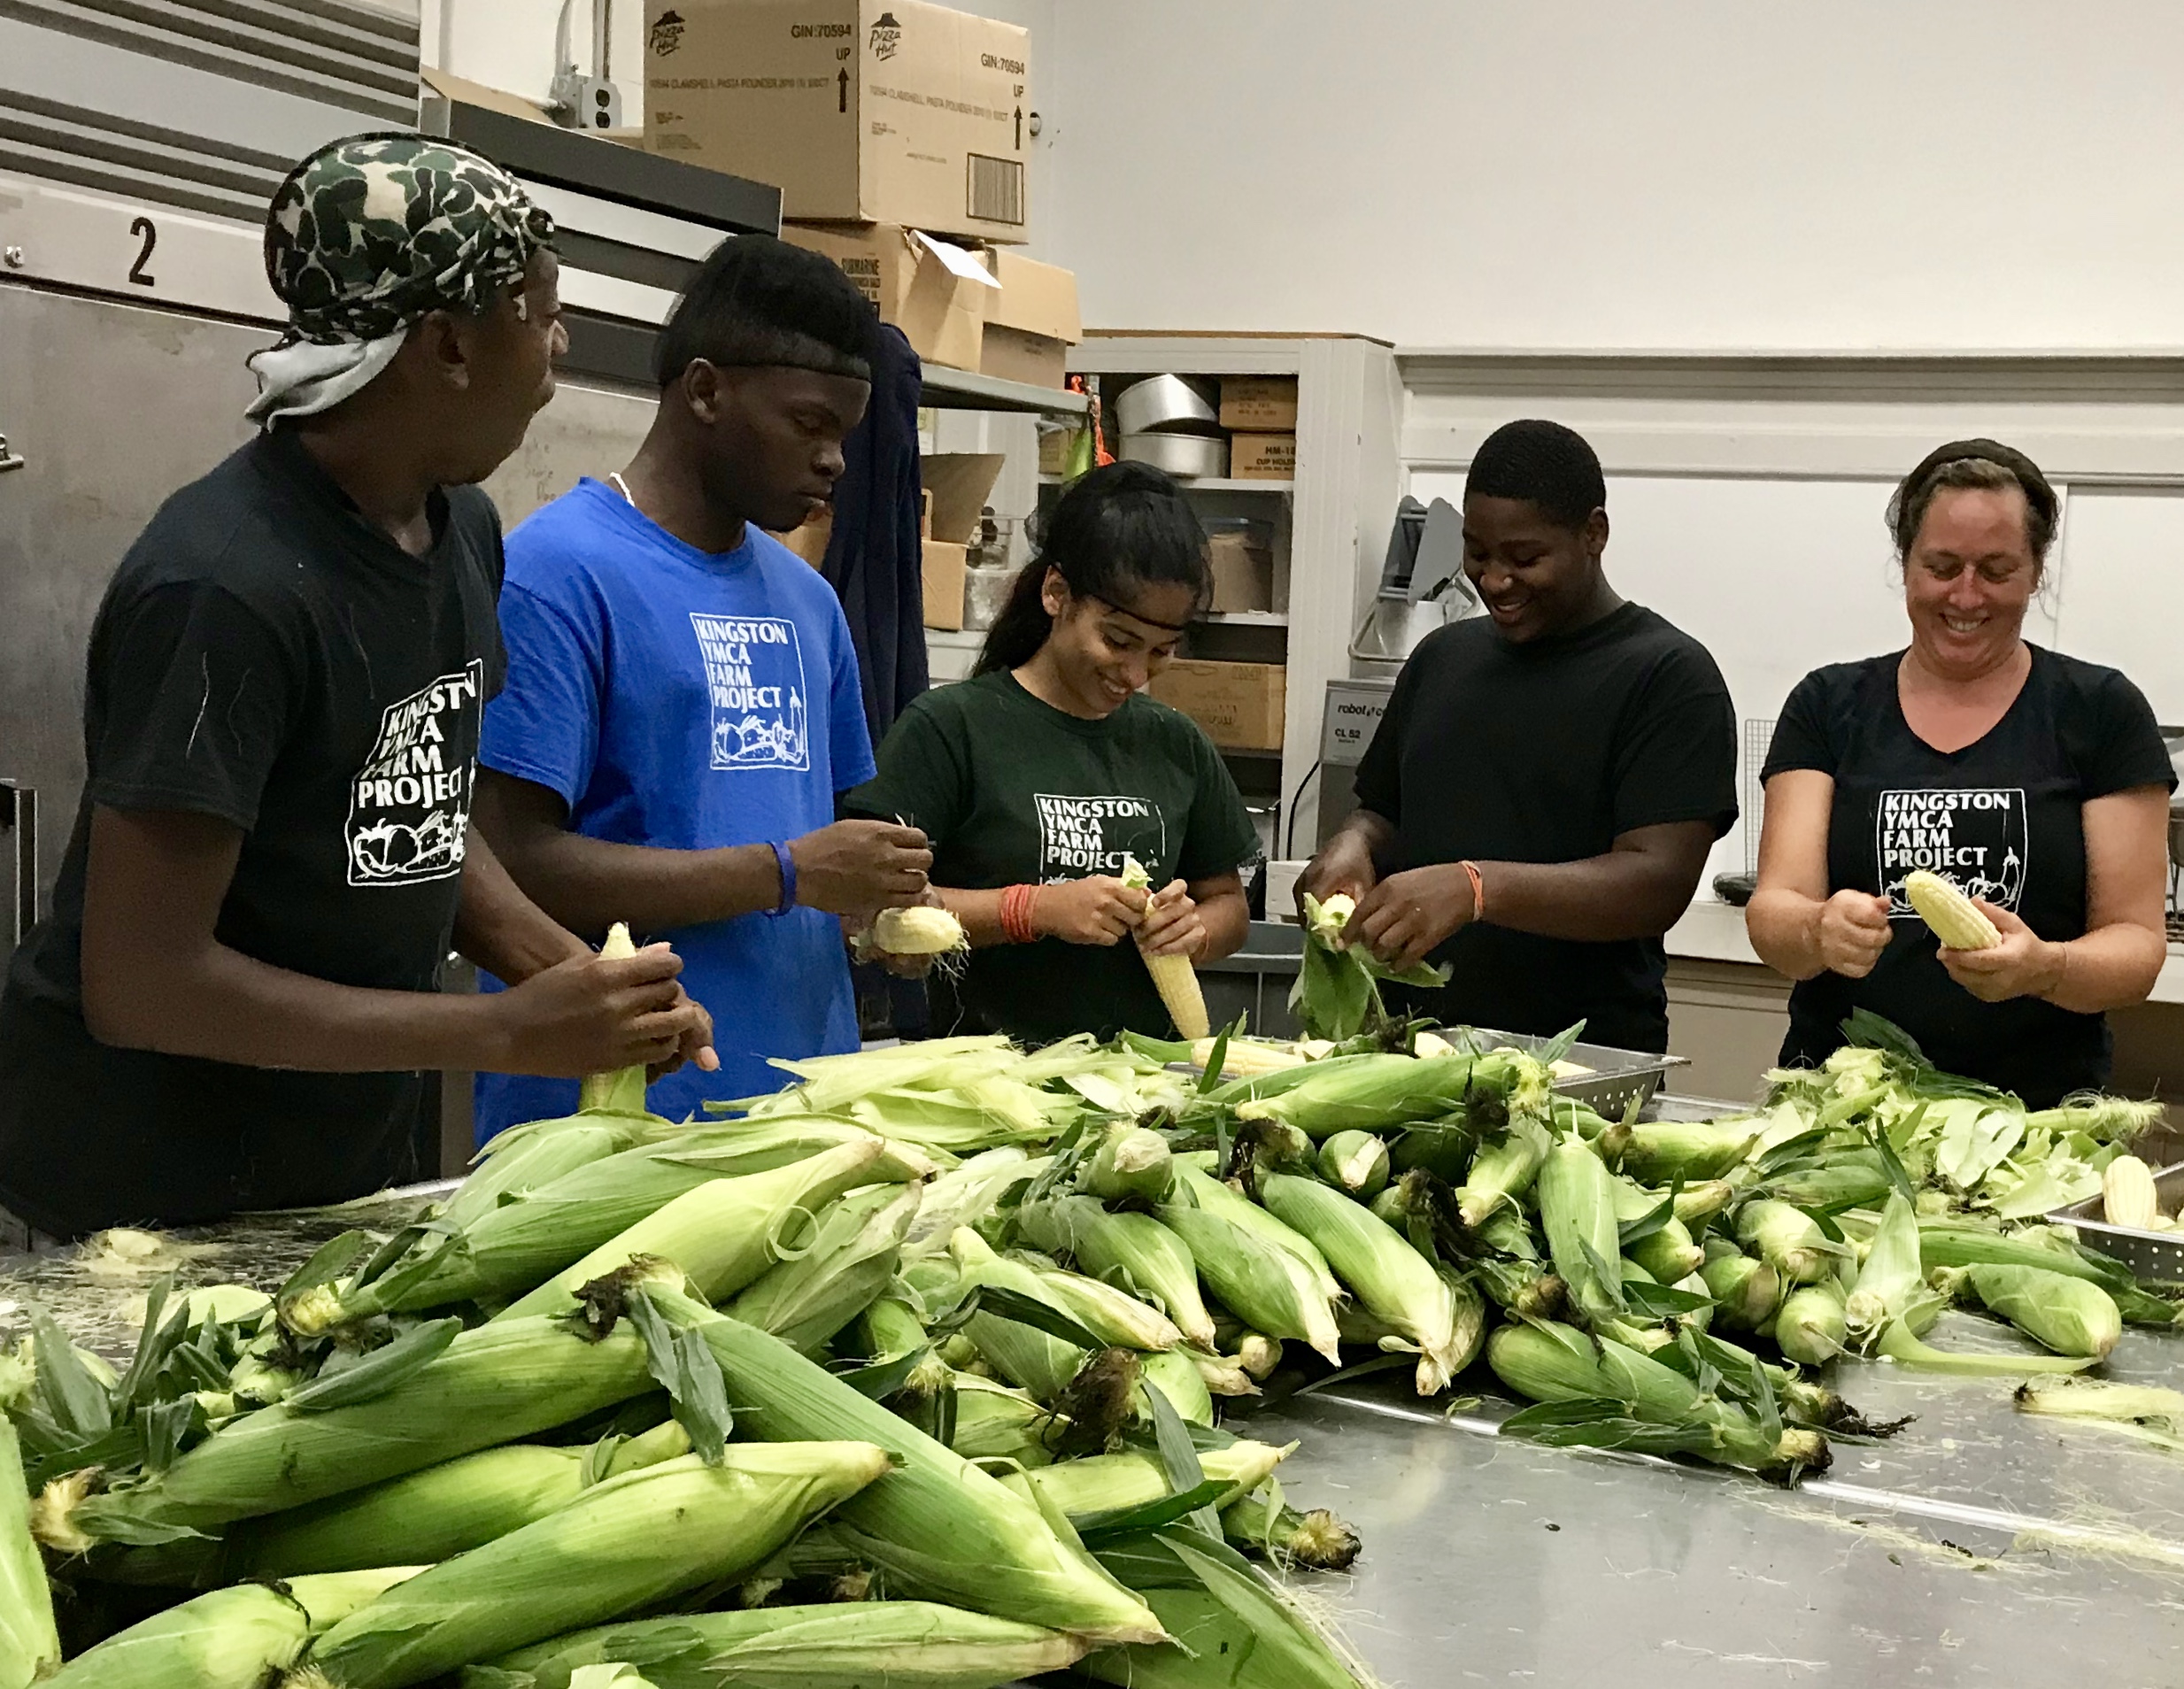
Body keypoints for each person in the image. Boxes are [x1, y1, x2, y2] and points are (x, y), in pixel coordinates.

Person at [0, 135, 711, 1238]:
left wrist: (584, 983)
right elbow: (142, 983)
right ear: (447, 348)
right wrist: (502, 1033)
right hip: (143, 1195)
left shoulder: (460, 524)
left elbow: (414, 809)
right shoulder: (224, 588)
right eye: (541, 313)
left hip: (330, 1167)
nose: (558, 346)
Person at [470, 235, 930, 1137]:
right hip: (613, 1126)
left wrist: (871, 911)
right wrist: (789, 874)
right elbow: (506, 863)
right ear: (708, 391)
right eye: (810, 424)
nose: (835, 460)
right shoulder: (555, 573)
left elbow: (809, 858)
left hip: (803, 1116)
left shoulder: (807, 599)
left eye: (845, 433)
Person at [1747, 440, 2173, 1107]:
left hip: (2034, 1114)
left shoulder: (2100, 712)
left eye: (1996, 570)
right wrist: (1817, 932)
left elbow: (2137, 948)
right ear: (1906, 565)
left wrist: (2046, 968)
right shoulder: (1828, 706)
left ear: (2036, 573)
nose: (1966, 595)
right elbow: (1774, 912)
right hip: (1842, 1104)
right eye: (1942, 567)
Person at [1300, 420, 1736, 1052]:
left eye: (1525, 558)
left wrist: (1474, 888)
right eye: (1477, 553)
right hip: (1404, 1048)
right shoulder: (1441, 659)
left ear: (1594, 533)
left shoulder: (1667, 677)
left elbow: (1655, 884)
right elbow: (1384, 810)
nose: (1496, 579)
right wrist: (1350, 846)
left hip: (1578, 1062)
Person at [841, 461, 1256, 1042]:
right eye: (1117, 641)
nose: (1136, 674)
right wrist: (1033, 911)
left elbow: (1228, 905)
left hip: (1143, 1088)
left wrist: (1196, 931)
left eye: (1161, 652)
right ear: (1056, 593)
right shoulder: (950, 729)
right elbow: (864, 911)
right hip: (987, 1081)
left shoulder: (1175, 742)